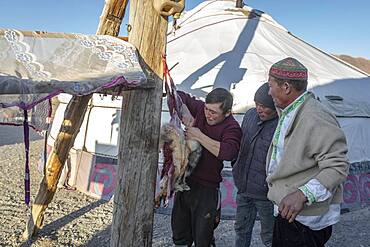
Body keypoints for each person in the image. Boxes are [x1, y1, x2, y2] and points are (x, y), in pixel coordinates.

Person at [266, 57, 349, 247]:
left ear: (286, 87)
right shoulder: (291, 110)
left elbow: (338, 166)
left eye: (271, 86)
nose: (269, 92)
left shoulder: (315, 117)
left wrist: (301, 194)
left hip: (303, 220)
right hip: (289, 213)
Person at [171, 88, 242, 247]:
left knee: (203, 237)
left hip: (207, 189)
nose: (208, 114)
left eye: (214, 113)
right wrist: (186, 112)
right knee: (179, 232)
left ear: (227, 112)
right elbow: (177, 95)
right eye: (207, 109)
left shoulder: (232, 127)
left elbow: (228, 152)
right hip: (185, 181)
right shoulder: (202, 110)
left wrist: (199, 136)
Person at [232, 82, 278, 247]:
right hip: (244, 187)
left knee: (270, 235)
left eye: (265, 106)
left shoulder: (282, 124)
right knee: (241, 229)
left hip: (266, 193)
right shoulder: (250, 115)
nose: (260, 109)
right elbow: (240, 141)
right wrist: (236, 165)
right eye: (258, 104)